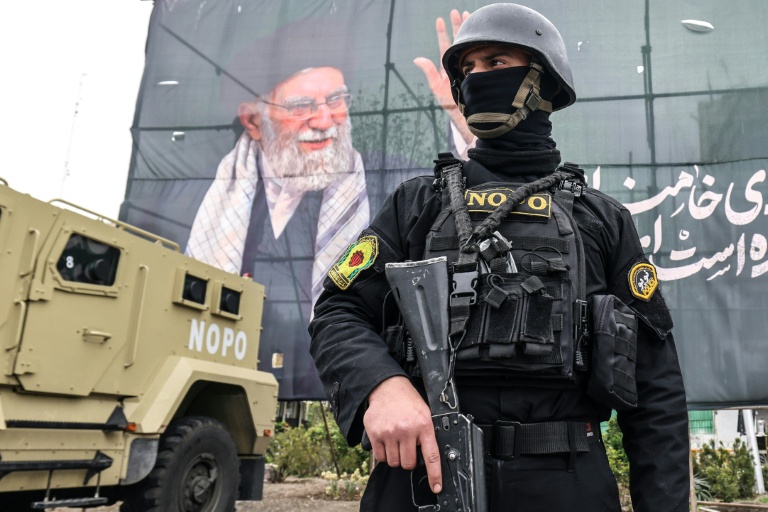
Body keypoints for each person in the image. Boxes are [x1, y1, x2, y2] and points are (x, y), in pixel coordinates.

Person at [309, 4, 690, 512]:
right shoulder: (417, 204)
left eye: (494, 62)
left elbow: (656, 387)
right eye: (467, 70)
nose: (476, 79)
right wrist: (381, 385)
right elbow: (337, 310)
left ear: (544, 82)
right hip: (425, 478)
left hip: (565, 482)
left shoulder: (600, 219)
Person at [186, 65, 369, 397]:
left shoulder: (385, 179)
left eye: (336, 99)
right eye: (301, 106)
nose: (324, 121)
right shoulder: (195, 198)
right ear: (253, 122)